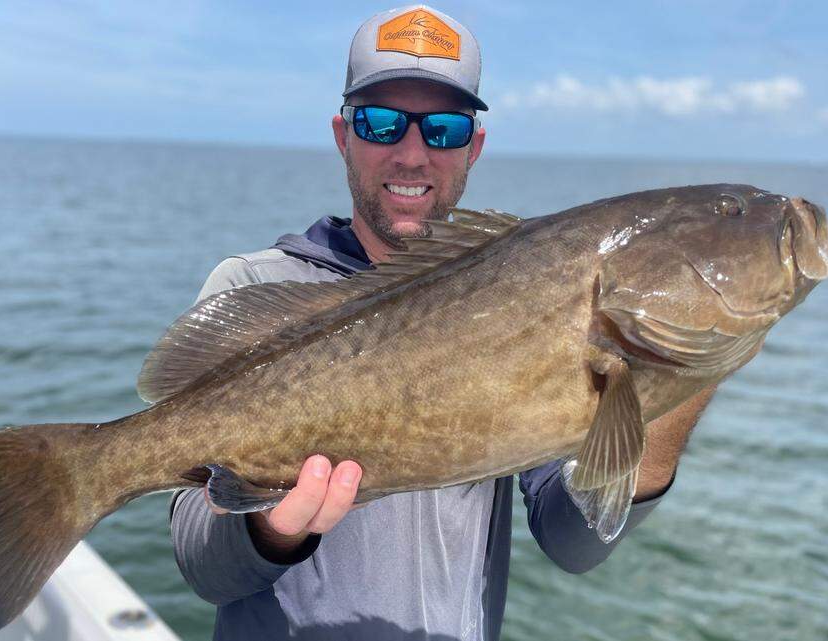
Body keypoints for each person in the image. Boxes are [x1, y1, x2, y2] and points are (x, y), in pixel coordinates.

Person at [169, 5, 715, 640]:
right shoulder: (253, 287)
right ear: (344, 136)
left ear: (473, 147)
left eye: (444, 129)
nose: (412, 154)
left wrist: (683, 373)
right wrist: (269, 529)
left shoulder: (521, 299)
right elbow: (202, 566)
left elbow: (575, 542)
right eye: (380, 122)